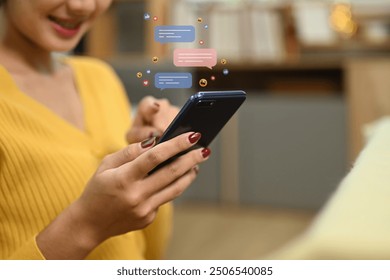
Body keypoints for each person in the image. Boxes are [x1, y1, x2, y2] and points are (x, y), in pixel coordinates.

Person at [0, 0, 211, 259]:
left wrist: (154, 163)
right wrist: (86, 226)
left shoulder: (101, 77)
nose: (84, 6)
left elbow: (146, 250)